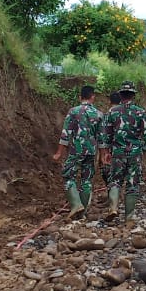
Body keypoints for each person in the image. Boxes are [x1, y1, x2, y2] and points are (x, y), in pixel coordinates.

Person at [100, 81, 146, 221]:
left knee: (115, 181)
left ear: (120, 95)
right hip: (135, 154)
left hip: (117, 153)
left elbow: (106, 135)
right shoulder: (140, 112)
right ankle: (129, 216)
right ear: (133, 95)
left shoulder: (112, 112)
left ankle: (113, 208)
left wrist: (105, 153)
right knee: (132, 184)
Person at [51, 85, 102, 220]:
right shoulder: (98, 114)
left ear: (80, 97)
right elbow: (102, 138)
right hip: (91, 151)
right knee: (87, 179)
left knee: (68, 176)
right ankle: (82, 212)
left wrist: (59, 153)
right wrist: (103, 154)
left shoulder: (73, 112)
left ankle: (75, 205)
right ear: (93, 97)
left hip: (76, 150)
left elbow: (65, 134)